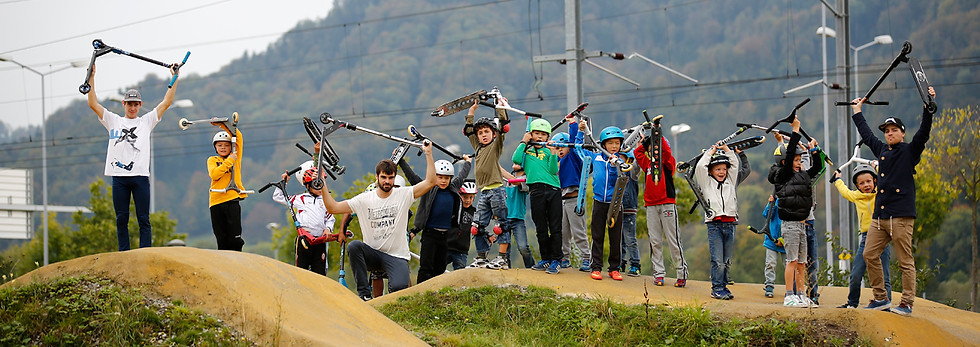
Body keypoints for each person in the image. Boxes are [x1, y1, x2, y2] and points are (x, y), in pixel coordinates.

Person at [850, 86, 936, 316]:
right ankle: (881, 298)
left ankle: (906, 303)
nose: (889, 133)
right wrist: (857, 112)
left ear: (902, 133)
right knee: (869, 254)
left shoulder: (910, 151)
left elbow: (923, 133)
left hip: (901, 216)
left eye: (894, 130)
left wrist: (928, 108)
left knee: (905, 261)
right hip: (880, 217)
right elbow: (868, 135)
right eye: (887, 131)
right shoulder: (882, 150)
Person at [319, 142, 437, 301]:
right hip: (373, 255)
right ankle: (364, 295)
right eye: (383, 177)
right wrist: (323, 184)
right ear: (377, 177)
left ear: (394, 178)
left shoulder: (404, 194)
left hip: (397, 256)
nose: (387, 181)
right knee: (354, 246)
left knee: (399, 289)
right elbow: (333, 207)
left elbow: (430, 182)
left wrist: (428, 153)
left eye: (390, 178)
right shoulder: (364, 199)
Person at [87, 64, 180, 251]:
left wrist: (175, 77)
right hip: (119, 177)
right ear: (123, 104)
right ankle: (124, 253)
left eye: (136, 104)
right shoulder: (113, 120)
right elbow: (93, 104)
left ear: (140, 105)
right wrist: (91, 77)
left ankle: (145, 252)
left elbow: (166, 102)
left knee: (143, 218)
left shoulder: (146, 121)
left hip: (140, 177)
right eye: (129, 104)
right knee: (121, 218)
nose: (132, 107)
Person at [768, 116, 823, 308]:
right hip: (790, 225)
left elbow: (818, 167)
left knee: (801, 263)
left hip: (802, 224)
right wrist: (796, 130)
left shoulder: (803, 175)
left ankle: (801, 294)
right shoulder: (783, 176)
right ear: (785, 162)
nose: (799, 163)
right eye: (796, 160)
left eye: (800, 160)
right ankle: (789, 295)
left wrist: (814, 150)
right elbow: (790, 151)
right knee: (791, 261)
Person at [398, 156, 471, 283]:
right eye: (440, 177)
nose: (443, 181)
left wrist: (468, 163)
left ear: (450, 178)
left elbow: (462, 176)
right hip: (429, 234)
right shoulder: (428, 188)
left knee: (440, 267)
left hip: (444, 235)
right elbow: (413, 178)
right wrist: (401, 161)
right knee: (426, 266)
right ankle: (421, 290)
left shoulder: (453, 188)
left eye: (446, 178)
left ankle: (435, 289)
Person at [831, 165, 892, 308]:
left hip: (881, 237)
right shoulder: (857, 197)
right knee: (856, 275)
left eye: (869, 181)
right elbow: (845, 192)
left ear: (875, 181)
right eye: (862, 183)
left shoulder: (880, 194)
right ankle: (852, 303)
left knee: (884, 276)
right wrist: (837, 180)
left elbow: (887, 179)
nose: (866, 185)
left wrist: (878, 167)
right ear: (857, 186)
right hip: (866, 238)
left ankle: (885, 303)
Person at [584, 122, 636, 281]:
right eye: (610, 143)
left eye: (617, 143)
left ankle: (614, 268)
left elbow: (620, 176)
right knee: (597, 235)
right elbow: (580, 150)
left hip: (616, 203)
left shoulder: (622, 160)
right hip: (599, 201)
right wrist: (579, 130)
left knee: (615, 237)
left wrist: (615, 165)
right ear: (604, 145)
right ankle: (596, 267)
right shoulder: (596, 157)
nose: (614, 146)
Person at [634, 134, 688, 286]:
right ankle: (658, 274)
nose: (653, 151)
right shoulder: (647, 164)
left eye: (656, 148)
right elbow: (638, 153)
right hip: (651, 206)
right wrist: (644, 143)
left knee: (673, 240)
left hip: (667, 204)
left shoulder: (667, 162)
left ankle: (681, 273)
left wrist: (657, 134)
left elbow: (666, 152)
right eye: (651, 149)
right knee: (655, 241)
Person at [464, 99, 511, 269]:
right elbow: (469, 131)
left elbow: (503, 126)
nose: (483, 135)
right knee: (476, 227)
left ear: (493, 133)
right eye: (480, 133)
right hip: (483, 192)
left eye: (487, 131)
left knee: (500, 226)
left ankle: (502, 258)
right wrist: (472, 111)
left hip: (496, 190)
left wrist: (500, 107)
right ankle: (482, 257)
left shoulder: (495, 145)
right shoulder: (478, 148)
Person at [514, 118, 563, 274]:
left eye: (543, 134)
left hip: (553, 190)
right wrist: (524, 141)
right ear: (531, 134)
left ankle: (557, 260)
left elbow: (553, 170)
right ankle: (546, 259)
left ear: (548, 137)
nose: (540, 137)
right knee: (541, 227)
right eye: (536, 133)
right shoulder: (526, 151)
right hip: (535, 191)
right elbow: (516, 160)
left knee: (555, 227)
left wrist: (553, 153)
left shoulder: (549, 150)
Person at [272, 165, 339, 275]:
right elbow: (277, 197)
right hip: (305, 239)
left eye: (321, 184)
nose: (319, 187)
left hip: (320, 240)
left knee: (320, 273)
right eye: (315, 184)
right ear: (308, 185)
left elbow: (330, 218)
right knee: (301, 272)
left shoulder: (326, 200)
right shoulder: (300, 198)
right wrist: (284, 182)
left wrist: (328, 229)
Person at [695, 140, 741, 299]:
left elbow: (735, 164)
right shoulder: (706, 183)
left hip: (730, 224)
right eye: (718, 169)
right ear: (711, 171)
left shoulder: (730, 181)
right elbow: (700, 167)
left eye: (724, 169)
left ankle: (724, 286)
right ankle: (717, 288)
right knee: (717, 260)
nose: (722, 172)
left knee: (727, 260)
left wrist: (727, 149)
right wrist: (711, 152)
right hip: (714, 225)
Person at [554, 114, 592, 272]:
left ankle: (586, 258)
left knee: (578, 232)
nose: (560, 150)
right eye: (557, 148)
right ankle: (565, 257)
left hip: (575, 200)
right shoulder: (556, 163)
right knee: (563, 232)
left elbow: (574, 143)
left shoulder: (572, 157)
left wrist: (573, 125)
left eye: (562, 147)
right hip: (561, 201)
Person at [207, 121, 247, 251]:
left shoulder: (236, 157)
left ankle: (237, 258)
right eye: (220, 145)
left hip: (232, 199)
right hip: (216, 201)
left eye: (226, 145)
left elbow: (238, 137)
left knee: (234, 238)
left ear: (231, 147)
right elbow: (214, 174)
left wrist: (223, 124)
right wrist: (229, 161)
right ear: (215, 147)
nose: (223, 148)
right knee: (221, 238)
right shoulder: (213, 160)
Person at [501, 165, 535, 268]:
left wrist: (497, 166)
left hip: (517, 219)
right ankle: (506, 271)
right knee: (505, 251)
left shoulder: (527, 180)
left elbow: (515, 181)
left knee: (523, 247)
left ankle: (531, 268)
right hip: (504, 218)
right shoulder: (506, 179)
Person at [446, 180, 478, 270]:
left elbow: (478, 226)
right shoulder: (454, 208)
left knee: (460, 272)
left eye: (471, 197)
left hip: (462, 250)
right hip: (447, 246)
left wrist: (487, 235)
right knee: (437, 270)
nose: (468, 200)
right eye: (465, 197)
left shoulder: (474, 212)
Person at [761, 194, 785, 298]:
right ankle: (769, 285)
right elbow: (767, 215)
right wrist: (771, 203)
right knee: (770, 263)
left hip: (786, 240)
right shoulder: (775, 201)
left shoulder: (789, 203)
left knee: (788, 264)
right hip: (772, 239)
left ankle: (792, 287)